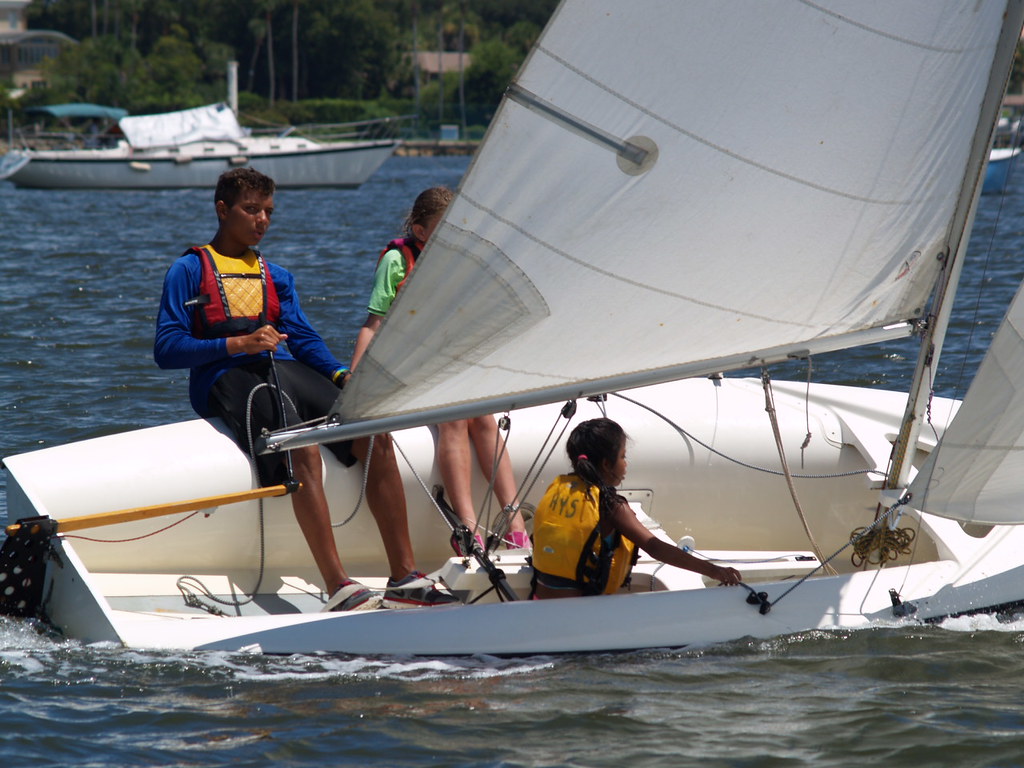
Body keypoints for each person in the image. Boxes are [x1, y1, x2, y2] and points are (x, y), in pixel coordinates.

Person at [154, 167, 457, 612]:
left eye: (269, 212)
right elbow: (166, 348)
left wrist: (340, 376)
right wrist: (239, 343)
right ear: (223, 210)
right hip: (221, 379)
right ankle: (338, 585)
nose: (262, 220)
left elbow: (303, 337)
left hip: (278, 368)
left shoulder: (275, 275)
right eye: (251, 209)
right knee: (304, 446)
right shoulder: (187, 270)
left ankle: (403, 576)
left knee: (372, 429)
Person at [349, 186, 530, 553]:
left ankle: (515, 524)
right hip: (410, 367)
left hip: (450, 361)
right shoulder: (396, 262)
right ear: (420, 231)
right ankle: (467, 527)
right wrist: (354, 381)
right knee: (453, 420)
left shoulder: (458, 263)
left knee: (484, 418)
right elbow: (373, 325)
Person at [532, 418, 742, 599]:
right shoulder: (611, 505)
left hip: (539, 600)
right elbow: (655, 548)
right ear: (607, 464)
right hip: (581, 613)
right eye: (623, 456)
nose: (626, 464)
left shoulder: (560, 489)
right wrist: (715, 571)